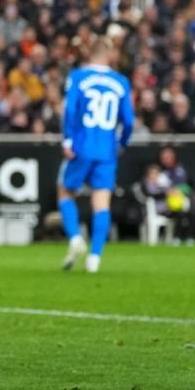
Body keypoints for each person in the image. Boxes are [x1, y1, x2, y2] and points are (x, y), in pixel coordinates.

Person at [58, 37, 135, 273]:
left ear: (89, 53)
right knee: (102, 202)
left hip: (81, 145)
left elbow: (70, 109)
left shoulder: (78, 76)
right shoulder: (121, 81)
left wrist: (68, 139)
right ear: (110, 55)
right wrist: (121, 143)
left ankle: (75, 238)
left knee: (65, 191)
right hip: (107, 149)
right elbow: (128, 121)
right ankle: (95, 257)